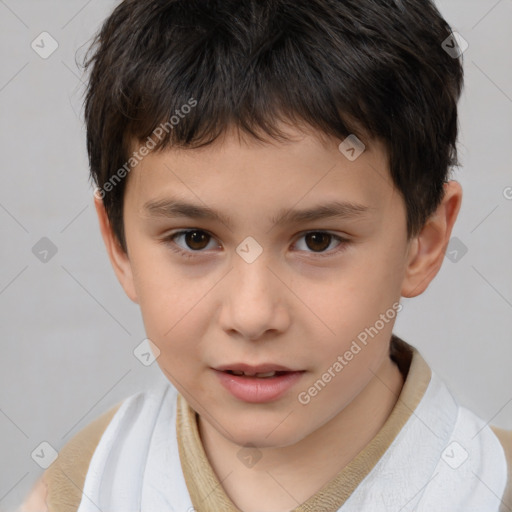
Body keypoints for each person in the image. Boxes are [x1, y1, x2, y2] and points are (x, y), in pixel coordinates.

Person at [19, 0, 512, 510]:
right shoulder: (84, 488)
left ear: (424, 244)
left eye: (318, 240)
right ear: (119, 245)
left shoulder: (490, 487)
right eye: (194, 239)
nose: (252, 315)